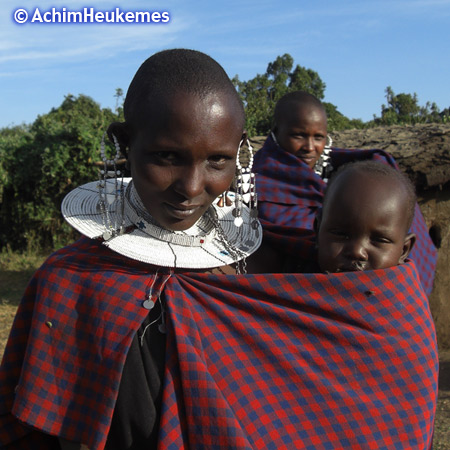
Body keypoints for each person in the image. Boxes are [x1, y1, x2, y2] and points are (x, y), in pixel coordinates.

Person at [0, 53, 438, 450]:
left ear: (240, 152)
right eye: (167, 156)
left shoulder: (263, 264)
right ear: (123, 142)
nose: (192, 188)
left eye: (217, 161)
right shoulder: (70, 281)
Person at [253, 90, 437, 293]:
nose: (310, 147)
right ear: (276, 132)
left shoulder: (342, 172)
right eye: (299, 135)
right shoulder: (257, 184)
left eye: (319, 137)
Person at [316, 160, 416, 273]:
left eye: (379, 240)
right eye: (341, 234)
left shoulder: (402, 290)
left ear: (404, 250)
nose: (357, 252)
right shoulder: (295, 280)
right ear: (317, 231)